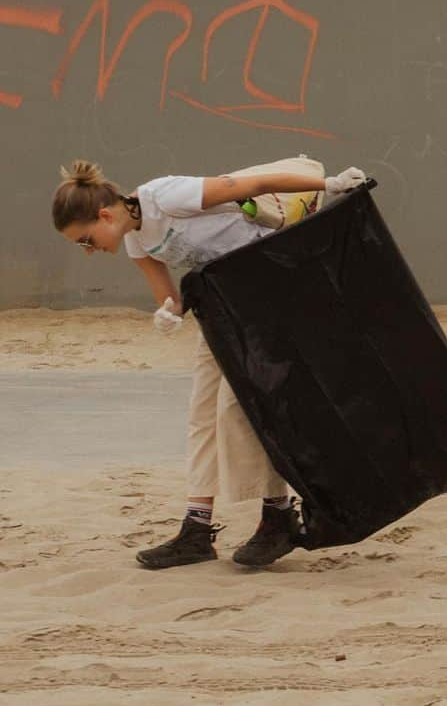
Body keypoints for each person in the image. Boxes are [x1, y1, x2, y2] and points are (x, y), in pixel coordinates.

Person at [51, 158, 369, 570]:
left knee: (240, 408)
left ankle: (278, 515)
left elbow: (253, 183)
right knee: (203, 413)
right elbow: (170, 297)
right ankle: (197, 530)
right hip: (222, 302)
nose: (90, 251)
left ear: (105, 214)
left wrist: (328, 184)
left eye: (86, 240)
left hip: (267, 284)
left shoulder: (166, 196)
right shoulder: (136, 240)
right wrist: (171, 313)